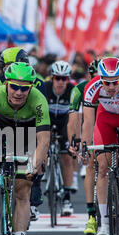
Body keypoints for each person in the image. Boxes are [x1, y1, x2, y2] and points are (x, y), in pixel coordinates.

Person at [0, 62, 50, 235]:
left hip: (26, 136)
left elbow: (43, 140)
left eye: (24, 88)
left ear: (31, 87)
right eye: (14, 87)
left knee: (22, 189)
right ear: (6, 84)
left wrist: (35, 164)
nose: (18, 92)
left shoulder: (38, 100)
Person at [79, 57, 119, 235]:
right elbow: (89, 121)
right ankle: (105, 224)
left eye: (115, 82)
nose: (111, 87)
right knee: (102, 167)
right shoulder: (91, 88)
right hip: (105, 120)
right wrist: (85, 145)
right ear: (100, 80)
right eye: (106, 83)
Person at [67, 59, 100, 235]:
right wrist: (75, 141)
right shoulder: (80, 89)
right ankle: (91, 215)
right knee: (91, 167)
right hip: (91, 126)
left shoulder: (113, 87)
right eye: (96, 76)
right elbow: (74, 119)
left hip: (112, 124)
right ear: (89, 76)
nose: (100, 81)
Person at [44, 60, 76, 216]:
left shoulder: (72, 91)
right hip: (47, 121)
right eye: (58, 78)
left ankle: (67, 198)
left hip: (65, 123)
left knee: (67, 158)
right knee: (41, 150)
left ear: (68, 80)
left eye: (64, 79)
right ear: (52, 78)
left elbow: (76, 117)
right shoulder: (44, 89)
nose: (61, 82)